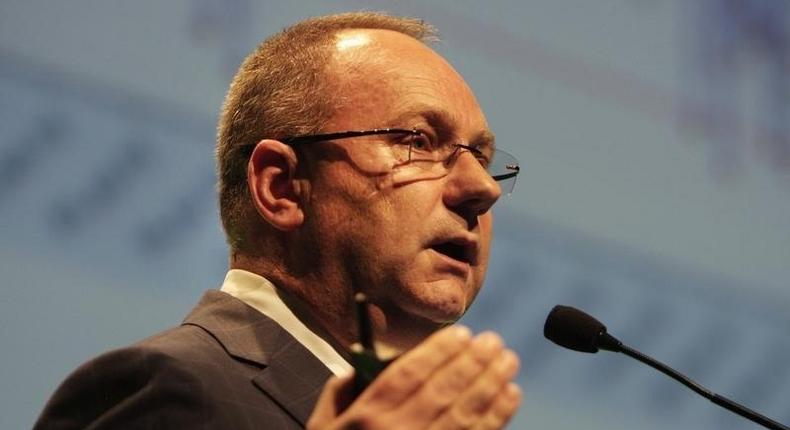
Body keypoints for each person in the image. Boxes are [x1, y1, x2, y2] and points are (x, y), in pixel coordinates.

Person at [34, 11, 523, 429]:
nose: (483, 189)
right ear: (282, 187)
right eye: (417, 141)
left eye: (479, 157)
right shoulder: (170, 390)